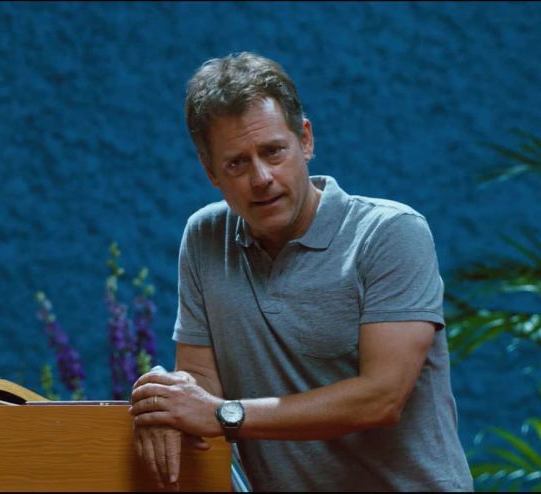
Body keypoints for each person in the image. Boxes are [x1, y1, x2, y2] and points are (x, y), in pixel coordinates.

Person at [129, 51, 473, 492]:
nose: (261, 178)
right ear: (210, 170)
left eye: (273, 152)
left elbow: (382, 397)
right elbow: (201, 386)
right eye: (237, 163)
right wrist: (166, 404)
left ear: (305, 140)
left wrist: (222, 414)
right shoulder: (205, 237)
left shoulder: (390, 233)